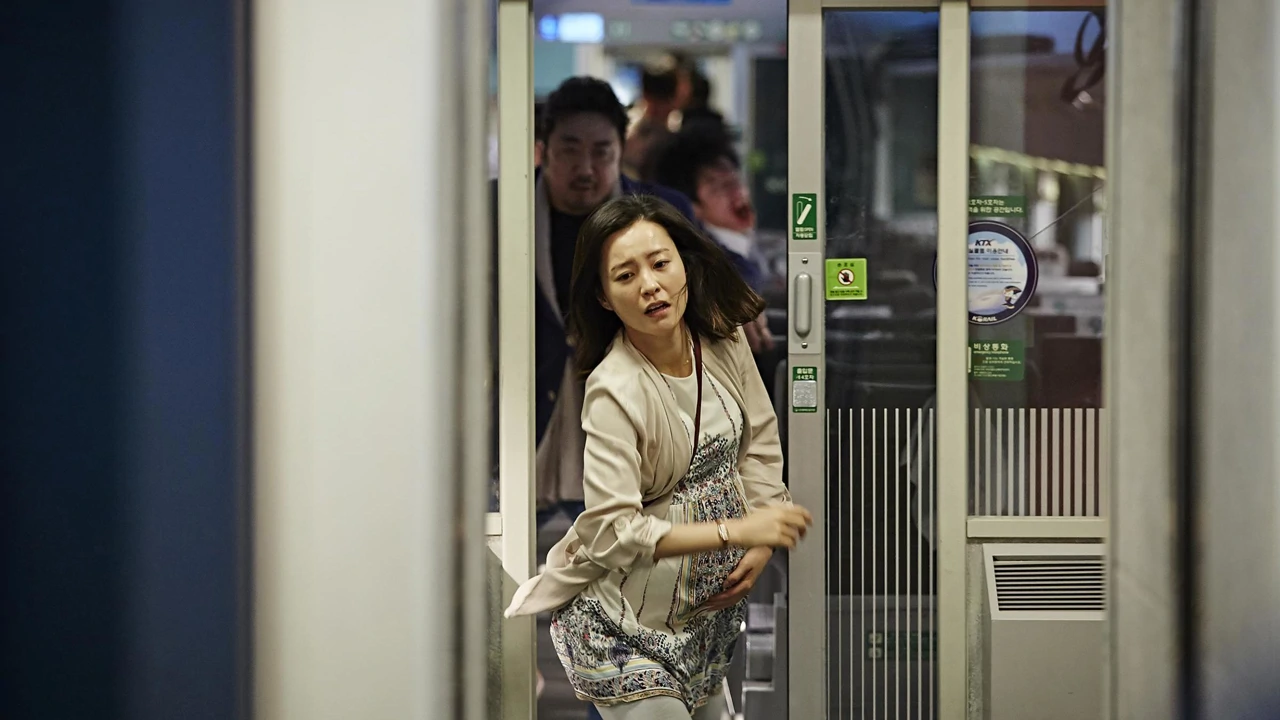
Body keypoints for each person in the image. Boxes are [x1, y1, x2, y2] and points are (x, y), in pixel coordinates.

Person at [504, 195, 814, 720]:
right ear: (604, 298)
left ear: (684, 265)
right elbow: (612, 532)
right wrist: (738, 533)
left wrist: (760, 546)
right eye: (625, 276)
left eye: (660, 263)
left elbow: (758, 443)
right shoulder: (613, 389)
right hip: (626, 624)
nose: (649, 284)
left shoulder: (721, 335)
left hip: (704, 621)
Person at [622, 62, 682, 182]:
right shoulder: (631, 131)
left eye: (664, 102)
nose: (659, 109)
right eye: (654, 101)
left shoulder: (678, 131)